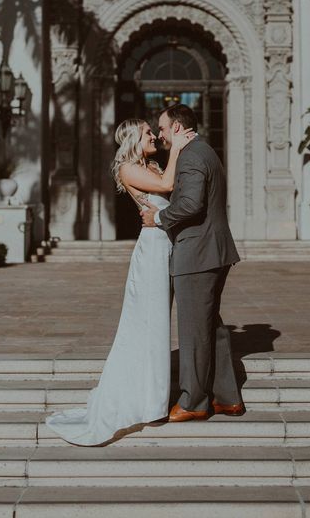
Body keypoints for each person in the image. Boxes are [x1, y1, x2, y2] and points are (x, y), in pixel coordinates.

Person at [45, 118, 194, 445]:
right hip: (152, 250)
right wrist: (180, 148)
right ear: (133, 139)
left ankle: (151, 398)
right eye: (147, 132)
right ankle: (150, 404)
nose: (154, 135)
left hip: (165, 245)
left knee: (156, 325)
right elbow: (169, 186)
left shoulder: (151, 164)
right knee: (149, 324)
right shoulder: (128, 168)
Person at [141, 104, 244, 422]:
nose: (159, 134)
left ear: (176, 127)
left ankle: (193, 401)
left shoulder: (192, 155)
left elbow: (190, 204)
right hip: (210, 251)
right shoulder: (203, 151)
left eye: (161, 127)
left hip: (198, 253)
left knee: (193, 330)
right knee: (211, 326)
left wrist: (157, 217)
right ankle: (227, 398)